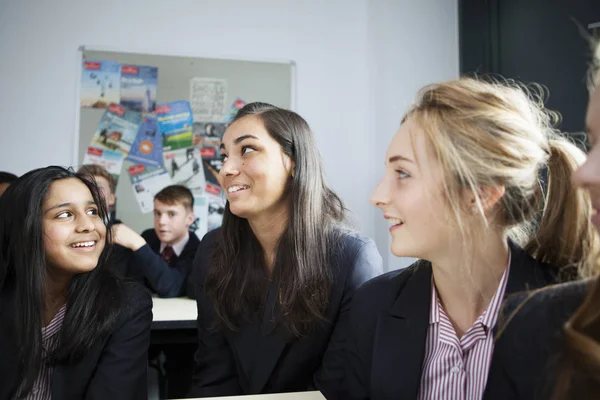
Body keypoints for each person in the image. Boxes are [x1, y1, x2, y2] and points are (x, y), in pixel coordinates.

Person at [344, 77, 597, 400]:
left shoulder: (576, 319)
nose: (378, 196)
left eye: (403, 174)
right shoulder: (371, 308)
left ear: (481, 194)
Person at [188, 102, 383, 398]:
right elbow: (214, 374)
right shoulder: (213, 250)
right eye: (224, 155)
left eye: (247, 150)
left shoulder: (352, 259)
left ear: (292, 161)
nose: (226, 169)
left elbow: (337, 387)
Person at [483, 38, 600, 400]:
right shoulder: (533, 326)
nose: (584, 174)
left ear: (484, 193)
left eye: (405, 174)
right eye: (594, 142)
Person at [0, 166, 152, 399]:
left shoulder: (125, 305)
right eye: (64, 215)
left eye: (93, 211)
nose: (88, 226)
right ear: (25, 228)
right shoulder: (7, 296)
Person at [112, 184, 200, 298]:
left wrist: (139, 245)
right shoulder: (149, 237)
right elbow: (131, 282)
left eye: (171, 214)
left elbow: (171, 287)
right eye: (157, 213)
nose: (161, 221)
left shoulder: (198, 250)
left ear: (189, 219)